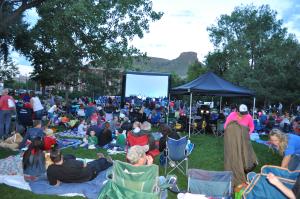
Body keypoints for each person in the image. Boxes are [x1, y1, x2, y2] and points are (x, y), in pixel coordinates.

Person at [47, 149, 112, 186]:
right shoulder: (71, 163)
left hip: (74, 179)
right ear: (61, 156)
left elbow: (55, 184)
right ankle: (107, 161)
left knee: (94, 164)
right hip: (88, 175)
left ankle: (103, 160)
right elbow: (84, 164)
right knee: (97, 164)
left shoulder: (50, 169)